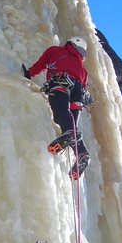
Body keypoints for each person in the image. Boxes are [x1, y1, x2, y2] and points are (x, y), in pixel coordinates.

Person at [23, 36, 90, 180]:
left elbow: (41, 65)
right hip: (78, 93)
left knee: (61, 115)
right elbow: (84, 87)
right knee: (71, 125)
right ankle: (82, 153)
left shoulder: (55, 51)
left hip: (61, 82)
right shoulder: (83, 70)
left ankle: (71, 136)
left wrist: (28, 73)